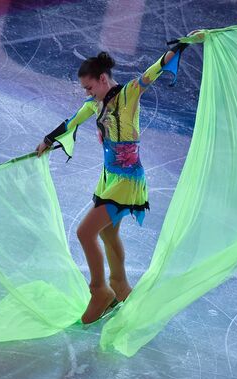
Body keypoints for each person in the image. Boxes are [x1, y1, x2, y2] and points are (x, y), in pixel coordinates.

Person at [35, 31, 201, 324]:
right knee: (107, 233)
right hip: (110, 179)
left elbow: (153, 71)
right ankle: (121, 286)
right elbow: (70, 122)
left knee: (85, 232)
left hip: (126, 182)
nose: (88, 93)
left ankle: (100, 290)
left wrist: (183, 44)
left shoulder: (128, 95)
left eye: (89, 87)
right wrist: (48, 141)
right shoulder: (95, 105)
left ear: (102, 79)